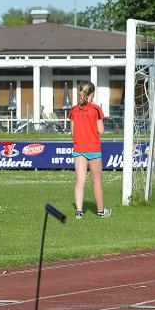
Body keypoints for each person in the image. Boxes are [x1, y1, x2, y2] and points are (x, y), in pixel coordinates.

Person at [69, 81, 112, 219]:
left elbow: (73, 132)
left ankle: (79, 212)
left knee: (80, 181)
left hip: (79, 148)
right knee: (97, 181)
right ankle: (100, 212)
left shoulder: (74, 110)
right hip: (93, 148)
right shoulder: (96, 109)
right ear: (92, 94)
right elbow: (101, 130)